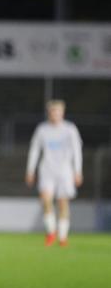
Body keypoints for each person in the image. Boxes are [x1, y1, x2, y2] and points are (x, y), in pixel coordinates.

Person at [26, 100, 83, 247]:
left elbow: (77, 151)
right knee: (46, 200)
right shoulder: (42, 129)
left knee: (63, 203)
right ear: (48, 113)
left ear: (62, 113)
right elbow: (35, 150)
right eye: (52, 111)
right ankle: (51, 232)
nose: (55, 114)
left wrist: (78, 171)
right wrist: (30, 170)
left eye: (57, 111)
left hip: (64, 170)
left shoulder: (70, 129)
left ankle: (63, 237)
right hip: (47, 169)